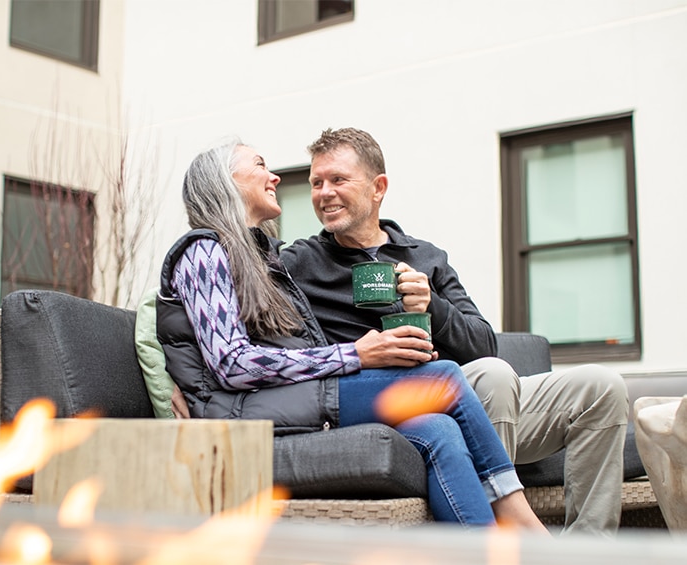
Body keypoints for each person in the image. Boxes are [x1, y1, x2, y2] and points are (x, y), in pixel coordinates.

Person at [156, 138, 548, 531]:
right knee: (443, 378)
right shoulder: (204, 249)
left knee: (439, 428)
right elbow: (231, 362)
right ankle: (517, 516)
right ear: (226, 182)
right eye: (259, 164)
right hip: (244, 410)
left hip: (286, 397)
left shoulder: (257, 256)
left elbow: (181, 316)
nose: (274, 175)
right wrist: (355, 354)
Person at [280, 127, 629, 535]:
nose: (324, 193)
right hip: (399, 405)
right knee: (494, 378)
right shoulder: (300, 263)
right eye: (316, 183)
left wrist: (433, 306)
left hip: (472, 396)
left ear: (378, 188)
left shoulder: (425, 256)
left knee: (602, 386)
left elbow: (484, 344)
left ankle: (588, 550)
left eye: (338, 180)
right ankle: (509, 534)